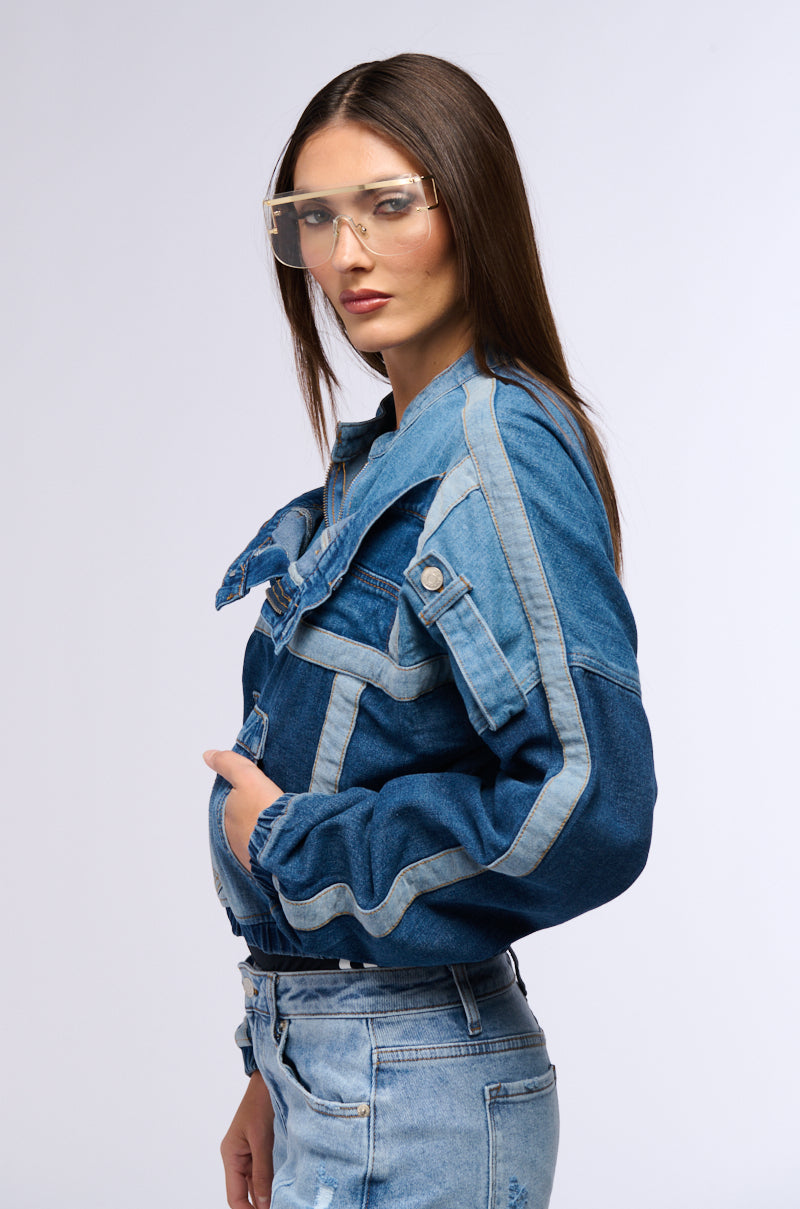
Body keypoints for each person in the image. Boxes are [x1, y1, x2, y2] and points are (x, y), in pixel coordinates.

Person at [203, 53, 657, 1209]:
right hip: (348, 1074)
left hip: (412, 1092)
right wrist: (274, 1068)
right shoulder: (393, 460)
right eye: (314, 217)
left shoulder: (495, 458)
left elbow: (587, 806)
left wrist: (292, 841)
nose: (345, 255)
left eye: (388, 205)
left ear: (471, 207)